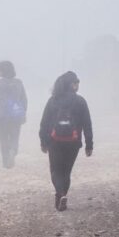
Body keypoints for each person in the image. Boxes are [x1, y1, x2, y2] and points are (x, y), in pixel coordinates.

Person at [39, 71, 93, 212]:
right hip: (73, 142)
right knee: (66, 171)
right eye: (76, 82)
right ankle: (62, 196)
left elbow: (44, 123)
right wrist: (89, 144)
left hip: (54, 141)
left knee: (56, 170)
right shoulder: (80, 101)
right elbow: (87, 124)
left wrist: (43, 142)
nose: (78, 84)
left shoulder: (53, 100)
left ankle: (61, 194)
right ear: (71, 85)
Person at [0, 60, 28, 169]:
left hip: (0, 116)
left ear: (2, 71)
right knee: (14, 136)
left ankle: (5, 162)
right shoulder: (18, 83)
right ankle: (13, 149)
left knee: (3, 138)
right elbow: (24, 100)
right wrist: (23, 112)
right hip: (15, 115)